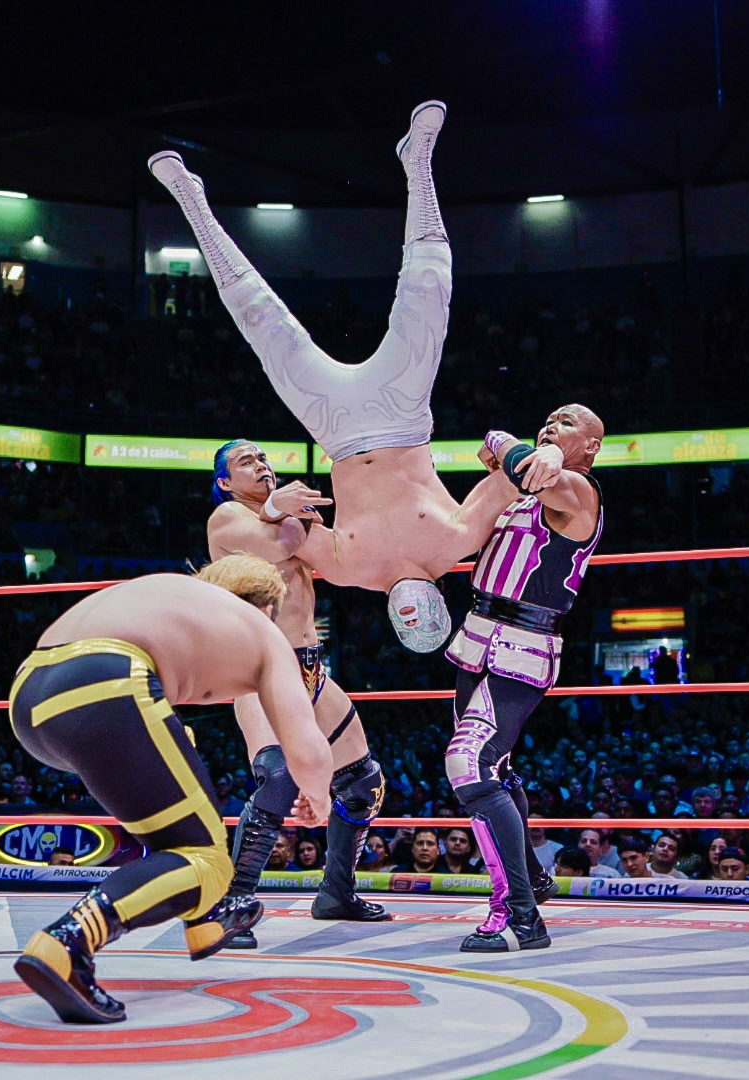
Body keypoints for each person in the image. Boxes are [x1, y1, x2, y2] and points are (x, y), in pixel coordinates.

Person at [150, 101, 524, 653]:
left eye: (407, 625)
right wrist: (522, 452)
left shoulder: (348, 571)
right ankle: (417, 163)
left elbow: (273, 537)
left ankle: (191, 199)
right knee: (428, 292)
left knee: (261, 322)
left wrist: (271, 506)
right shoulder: (459, 541)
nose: (413, 614)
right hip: (403, 418)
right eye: (425, 619)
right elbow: (517, 476)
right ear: (442, 605)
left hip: (337, 431)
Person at [8, 555, 333, 1025]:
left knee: (181, 829)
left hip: (30, 696)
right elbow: (308, 752)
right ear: (268, 608)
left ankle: (207, 917)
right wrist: (318, 801)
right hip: (105, 683)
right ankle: (67, 941)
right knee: (207, 858)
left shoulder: (170, 595)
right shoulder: (261, 631)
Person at [200, 438, 391, 947]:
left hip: (310, 666)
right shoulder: (227, 519)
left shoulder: (284, 513)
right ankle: (231, 906)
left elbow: (342, 560)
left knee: (363, 780)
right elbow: (277, 546)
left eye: (262, 458)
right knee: (280, 778)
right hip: (261, 666)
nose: (260, 465)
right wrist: (279, 509)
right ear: (225, 482)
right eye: (246, 462)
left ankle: (337, 893)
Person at [443, 405, 606, 952]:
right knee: (495, 767)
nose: (551, 424)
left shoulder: (578, 491)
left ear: (590, 446)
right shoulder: (519, 493)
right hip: (475, 635)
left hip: (523, 643)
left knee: (469, 763)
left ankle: (519, 916)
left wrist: (499, 438)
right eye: (550, 418)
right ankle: (530, 881)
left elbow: (521, 462)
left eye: (566, 422)